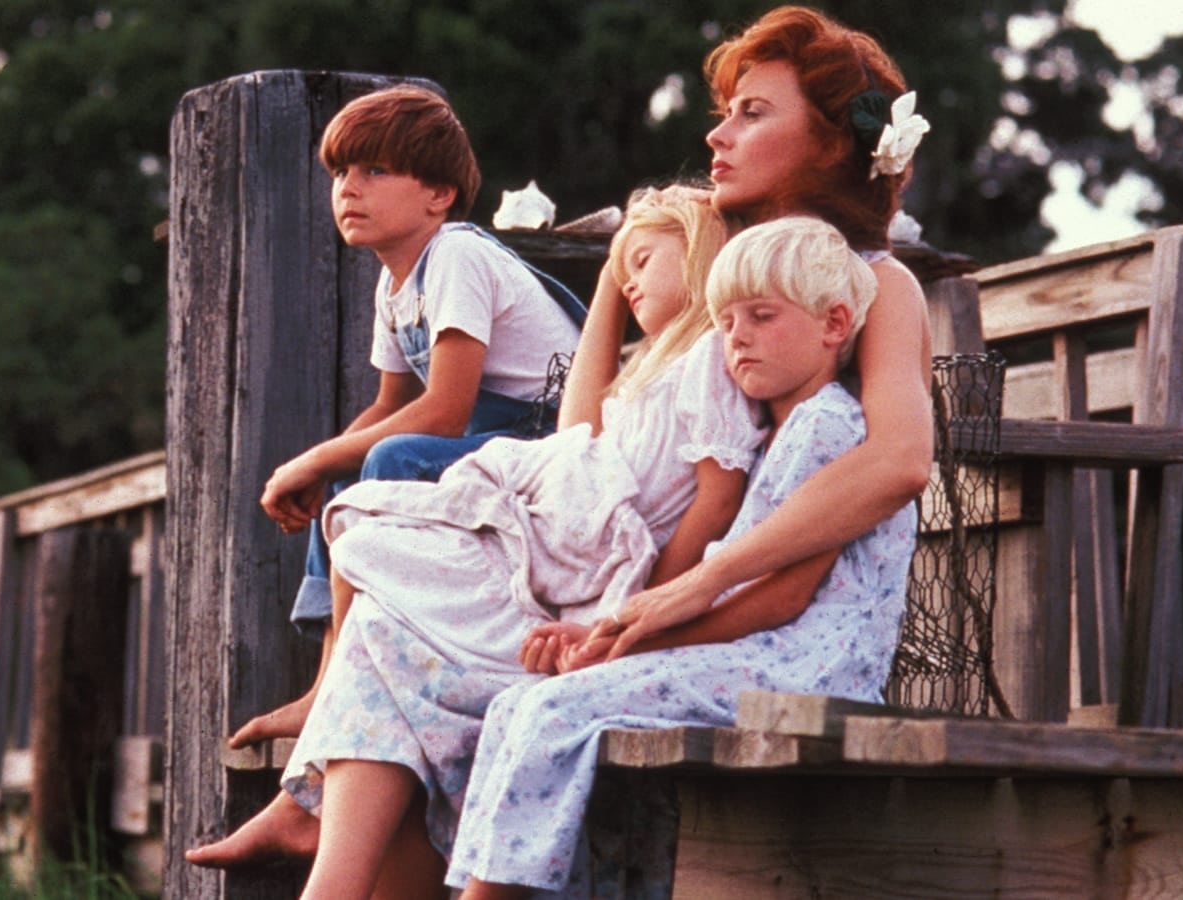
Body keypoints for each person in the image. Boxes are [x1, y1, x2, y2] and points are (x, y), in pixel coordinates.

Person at [187, 185, 754, 880]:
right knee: (375, 598)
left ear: (699, 259)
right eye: (622, 267)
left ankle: (312, 824)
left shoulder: (710, 359)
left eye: (641, 261)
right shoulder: (655, 370)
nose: (628, 279)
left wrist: (633, 619)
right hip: (564, 569)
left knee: (376, 566)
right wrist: (609, 281)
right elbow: (577, 433)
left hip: (591, 589)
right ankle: (313, 834)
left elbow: (715, 505)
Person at [449, 215, 917, 899]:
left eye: (761, 316)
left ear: (835, 324)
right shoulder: (776, 434)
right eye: (725, 322)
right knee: (517, 704)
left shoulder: (827, 425)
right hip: (761, 657)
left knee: (551, 712)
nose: (738, 338)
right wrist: (604, 637)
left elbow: (782, 598)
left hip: (808, 667)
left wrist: (629, 646)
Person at [235, 83, 585, 748]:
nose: (348, 189)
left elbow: (444, 413)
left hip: (550, 435)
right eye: (340, 172)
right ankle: (326, 683)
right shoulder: (396, 282)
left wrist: (314, 458)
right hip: (494, 437)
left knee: (390, 459)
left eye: (375, 170)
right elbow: (388, 405)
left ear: (439, 194)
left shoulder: (456, 254)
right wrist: (324, 470)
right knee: (355, 470)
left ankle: (345, 683)